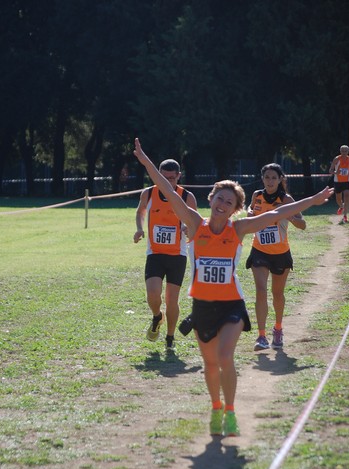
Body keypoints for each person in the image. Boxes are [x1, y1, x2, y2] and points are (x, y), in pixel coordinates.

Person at [133, 137, 333, 437]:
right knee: (211, 365)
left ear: (236, 208)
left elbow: (276, 214)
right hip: (202, 307)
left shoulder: (238, 229)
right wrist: (146, 161)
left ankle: (231, 411)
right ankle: (216, 407)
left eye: (230, 202)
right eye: (219, 198)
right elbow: (164, 187)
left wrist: (314, 200)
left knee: (225, 357)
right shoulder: (194, 222)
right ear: (211, 199)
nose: (222, 204)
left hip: (231, 306)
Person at [133, 156, 197, 352]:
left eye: (172, 178)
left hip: (177, 254)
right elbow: (140, 212)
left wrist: (187, 227)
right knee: (153, 294)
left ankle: (170, 337)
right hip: (155, 252)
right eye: (163, 177)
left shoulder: (187, 197)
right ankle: (156, 316)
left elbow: (193, 221)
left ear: (178, 176)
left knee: (171, 299)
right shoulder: (148, 193)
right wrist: (139, 228)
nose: (168, 181)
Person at [246, 163, 306, 351]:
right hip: (259, 250)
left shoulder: (286, 199)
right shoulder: (257, 195)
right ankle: (261, 336)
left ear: (280, 179)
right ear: (262, 178)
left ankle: (278, 329)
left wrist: (291, 218)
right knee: (261, 291)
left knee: (277, 294)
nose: (270, 181)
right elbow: (250, 211)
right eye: (267, 177)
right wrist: (250, 215)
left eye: (274, 178)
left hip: (280, 253)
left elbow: (302, 224)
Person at [329, 145, 349, 224]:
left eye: (346, 151)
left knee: (347, 196)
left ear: (348, 151)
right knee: (338, 199)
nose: (344, 153)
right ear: (340, 151)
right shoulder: (337, 159)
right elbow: (330, 170)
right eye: (343, 151)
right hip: (338, 181)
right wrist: (335, 172)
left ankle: (345, 216)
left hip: (347, 181)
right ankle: (341, 206)